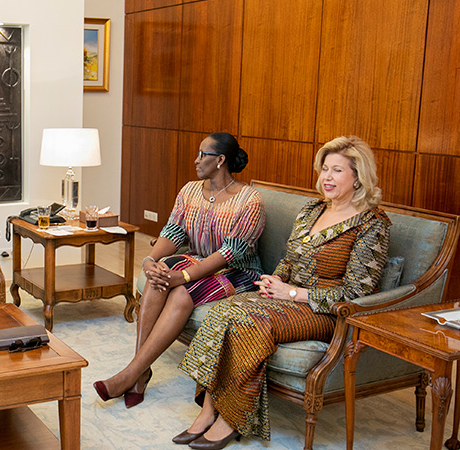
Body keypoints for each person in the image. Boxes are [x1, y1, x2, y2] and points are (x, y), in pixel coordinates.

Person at [175, 135, 391, 449]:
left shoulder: (372, 223)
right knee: (226, 309)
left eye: (337, 171)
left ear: (358, 178)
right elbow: (289, 260)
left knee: (251, 321)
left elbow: (358, 291)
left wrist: (293, 294)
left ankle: (232, 418)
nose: (326, 178)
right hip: (286, 296)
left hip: (323, 311)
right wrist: (271, 282)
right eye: (324, 169)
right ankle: (208, 409)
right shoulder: (312, 210)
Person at [93, 132, 265, 409]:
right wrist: (150, 261)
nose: (196, 160)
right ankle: (140, 372)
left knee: (182, 293)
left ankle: (130, 374)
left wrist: (182, 276)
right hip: (197, 259)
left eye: (202, 154)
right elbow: (173, 232)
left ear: (220, 160)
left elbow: (228, 253)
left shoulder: (249, 200)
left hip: (237, 270)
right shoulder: (190, 190)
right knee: (157, 274)